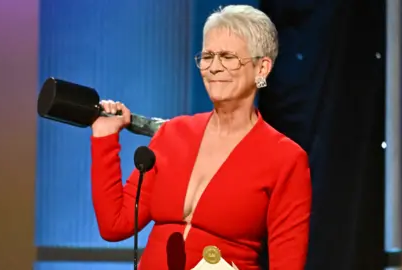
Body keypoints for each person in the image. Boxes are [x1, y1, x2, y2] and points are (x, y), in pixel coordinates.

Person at [90, 5, 311, 270]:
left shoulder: (285, 158)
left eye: (228, 57)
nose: (213, 68)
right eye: (207, 56)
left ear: (261, 68)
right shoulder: (173, 134)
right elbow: (115, 224)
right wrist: (104, 138)